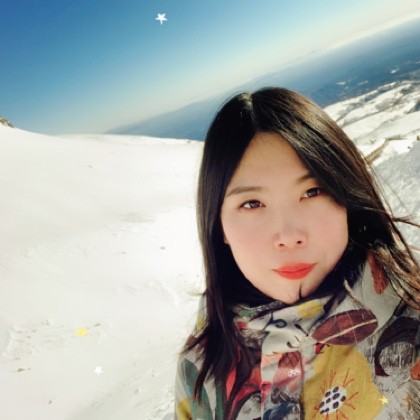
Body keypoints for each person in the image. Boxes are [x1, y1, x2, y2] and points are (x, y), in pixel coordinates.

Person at [174, 87, 420, 419]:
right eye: (252, 203)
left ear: (346, 198)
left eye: (312, 191)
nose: (289, 237)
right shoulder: (200, 368)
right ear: (219, 227)